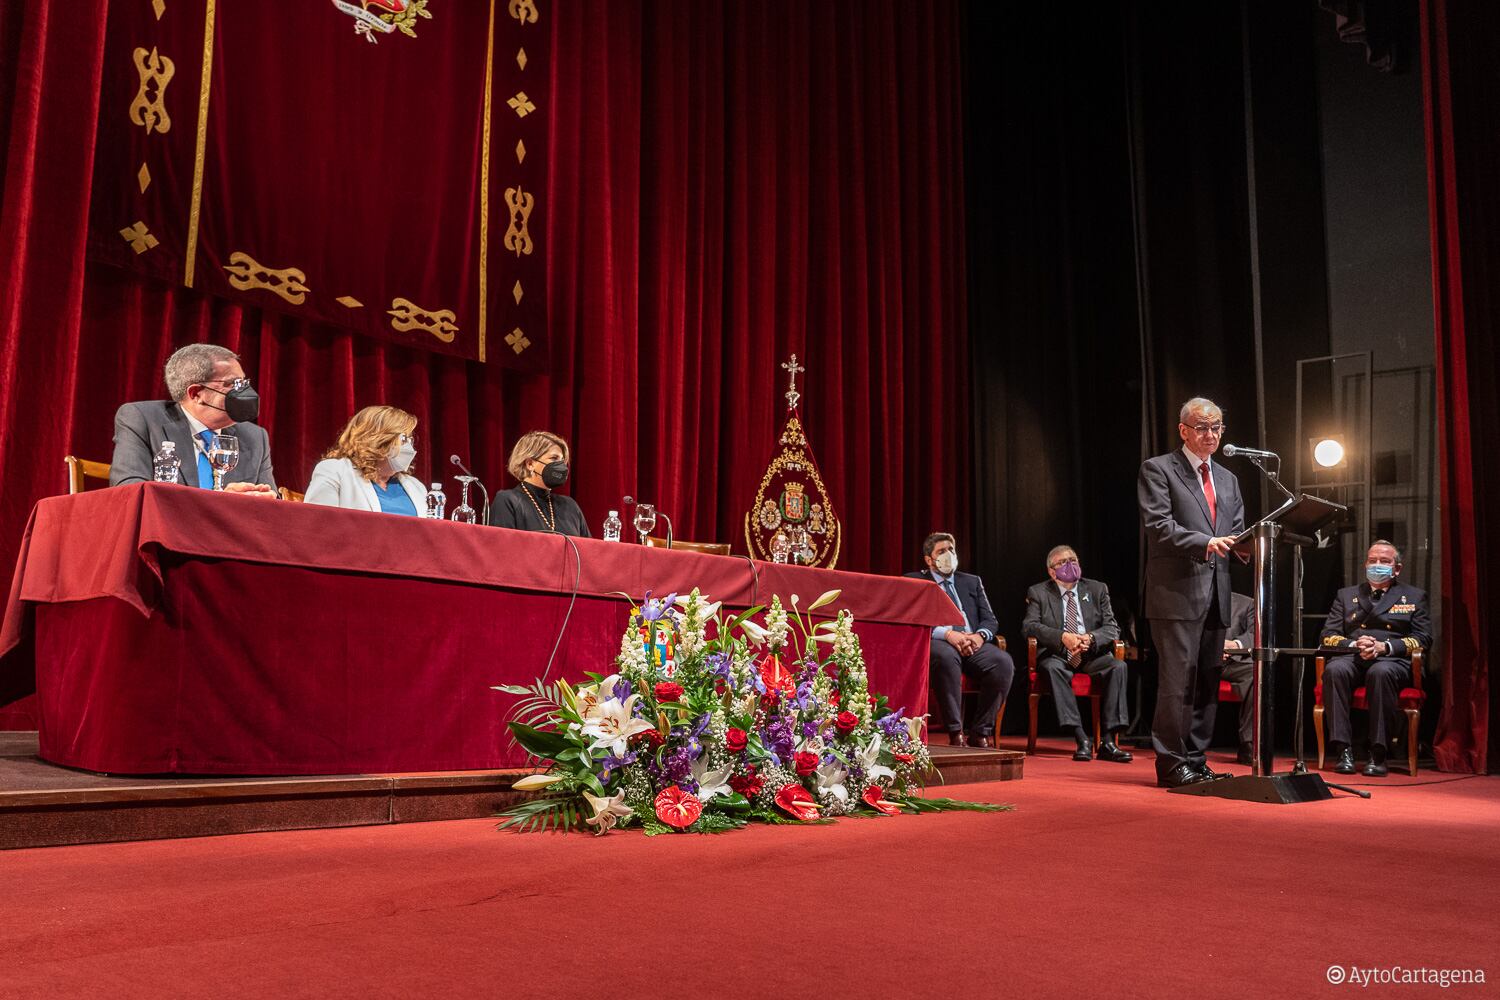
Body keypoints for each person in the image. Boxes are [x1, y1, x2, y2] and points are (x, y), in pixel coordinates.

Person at [1138, 397, 1246, 788]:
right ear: (1183, 430)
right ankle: (1171, 763)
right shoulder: (1159, 469)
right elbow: (1159, 525)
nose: (1211, 434)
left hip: (1217, 592)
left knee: (1207, 681)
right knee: (1177, 682)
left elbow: (1236, 531)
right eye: (1202, 427)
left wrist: (1250, 545)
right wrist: (1207, 541)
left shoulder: (1229, 480)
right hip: (1176, 595)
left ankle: (1196, 760)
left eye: (1217, 427)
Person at [1319, 540, 1431, 777]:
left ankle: (1378, 753)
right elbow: (1328, 635)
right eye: (1372, 561)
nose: (1377, 565)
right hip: (1354, 655)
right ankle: (1343, 750)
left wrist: (1385, 647)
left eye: (1384, 561)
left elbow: (1423, 638)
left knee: (1380, 673)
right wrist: (1354, 644)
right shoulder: (1346, 595)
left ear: (1396, 568)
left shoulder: (1413, 596)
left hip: (1390, 660)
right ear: (1365, 564)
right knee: (1334, 670)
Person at [110, 343, 276, 494]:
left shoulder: (255, 437)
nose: (244, 392)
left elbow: (272, 505)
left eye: (243, 383)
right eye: (233, 384)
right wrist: (221, 502)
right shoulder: (143, 420)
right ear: (196, 393)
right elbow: (129, 490)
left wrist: (266, 499)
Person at [1021, 545, 1132, 763]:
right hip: (1059, 654)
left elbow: (1112, 628)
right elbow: (1029, 627)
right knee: (1052, 668)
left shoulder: (1097, 589)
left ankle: (1108, 741)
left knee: (1119, 666)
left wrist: (1090, 639)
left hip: (1090, 653)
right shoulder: (1039, 592)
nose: (1070, 565)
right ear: (1052, 572)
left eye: (1074, 560)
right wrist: (1062, 637)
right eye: (1063, 562)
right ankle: (1081, 738)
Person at [904, 532, 1015, 748]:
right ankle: (956, 732)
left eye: (951, 550)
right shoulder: (915, 581)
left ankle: (980, 731)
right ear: (929, 559)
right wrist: (948, 634)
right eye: (941, 551)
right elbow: (913, 619)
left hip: (972, 641)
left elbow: (990, 620)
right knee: (946, 657)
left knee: (1003, 663)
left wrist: (978, 637)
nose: (948, 555)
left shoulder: (972, 581)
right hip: (940, 641)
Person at [303, 406, 428, 516]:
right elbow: (318, 526)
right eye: (404, 439)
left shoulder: (416, 486)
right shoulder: (335, 471)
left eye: (411, 440)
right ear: (379, 439)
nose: (409, 447)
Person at [490, 430, 590, 536]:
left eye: (562, 460)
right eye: (554, 458)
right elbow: (501, 548)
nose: (561, 466)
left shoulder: (570, 506)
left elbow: (588, 549)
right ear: (530, 464)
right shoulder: (508, 500)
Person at [1220, 592, 1257, 765]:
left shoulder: (1246, 603)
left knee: (1255, 673)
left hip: (1232, 661)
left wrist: (1234, 645)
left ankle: (1247, 743)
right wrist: (1213, 647)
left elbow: (1255, 633)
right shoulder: (1193, 598)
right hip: (1201, 660)